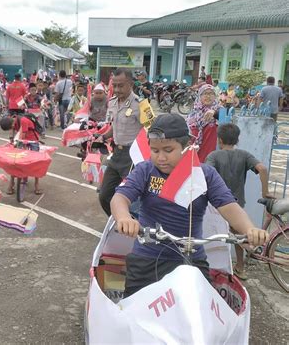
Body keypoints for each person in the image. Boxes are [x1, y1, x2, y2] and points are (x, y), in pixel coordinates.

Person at [111, 113, 269, 297]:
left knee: (204, 313)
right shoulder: (145, 170)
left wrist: (249, 229)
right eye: (155, 151)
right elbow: (120, 197)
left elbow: (229, 207)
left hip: (192, 259)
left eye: (168, 150)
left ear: (186, 147)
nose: (160, 157)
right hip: (147, 257)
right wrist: (123, 217)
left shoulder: (205, 174)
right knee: (134, 313)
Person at [206, 123, 271, 280]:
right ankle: (240, 266)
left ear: (219, 140)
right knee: (238, 235)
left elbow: (207, 175)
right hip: (237, 204)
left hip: (218, 205)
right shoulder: (244, 155)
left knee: (215, 236)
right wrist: (265, 192)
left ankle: (217, 267)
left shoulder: (213, 156)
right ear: (237, 139)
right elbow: (262, 168)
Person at [98, 68, 142, 216]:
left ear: (131, 84)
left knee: (133, 200)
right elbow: (115, 126)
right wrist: (103, 136)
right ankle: (118, 222)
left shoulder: (141, 105)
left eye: (121, 85)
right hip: (116, 153)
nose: (116, 89)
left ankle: (133, 228)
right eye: (114, 85)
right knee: (104, 195)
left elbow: (152, 130)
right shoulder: (112, 102)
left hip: (133, 157)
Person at [0, 115, 43, 195]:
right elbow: (13, 133)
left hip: (33, 140)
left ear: (11, 124)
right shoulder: (12, 119)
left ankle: (37, 184)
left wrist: (18, 145)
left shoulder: (23, 120)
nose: (12, 128)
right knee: (14, 160)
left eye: (10, 127)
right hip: (22, 139)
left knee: (36, 161)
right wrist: (11, 140)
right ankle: (11, 183)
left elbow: (22, 136)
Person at [186, 84, 220, 163]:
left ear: (215, 96)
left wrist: (215, 112)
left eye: (211, 93)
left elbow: (226, 117)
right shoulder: (193, 113)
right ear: (199, 96)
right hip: (193, 155)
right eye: (205, 93)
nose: (208, 96)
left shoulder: (220, 111)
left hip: (211, 156)